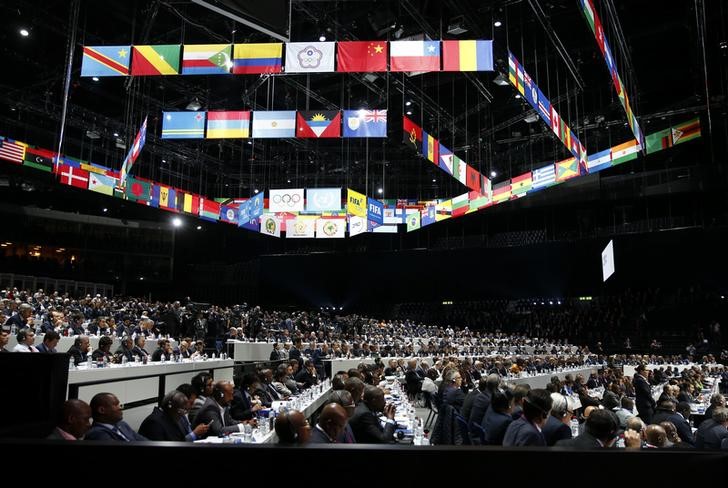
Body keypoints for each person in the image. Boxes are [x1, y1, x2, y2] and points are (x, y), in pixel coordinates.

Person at [138, 391, 209, 441]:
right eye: (181, 410)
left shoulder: (172, 417)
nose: (183, 414)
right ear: (170, 407)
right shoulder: (154, 423)